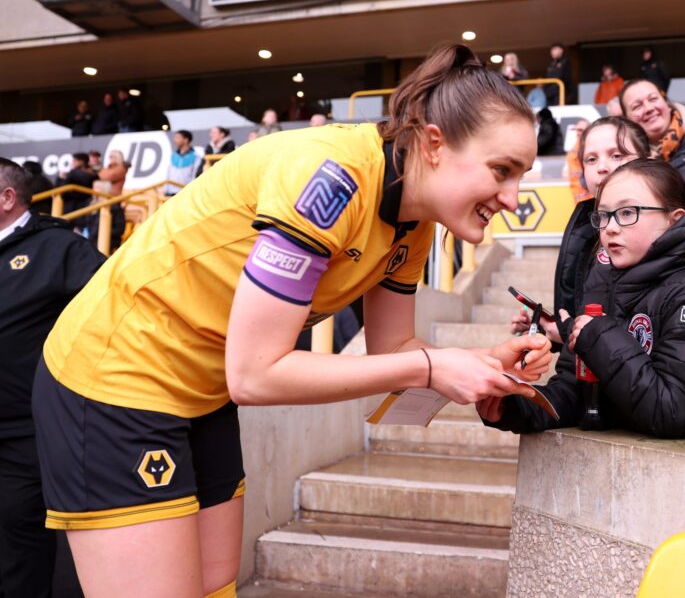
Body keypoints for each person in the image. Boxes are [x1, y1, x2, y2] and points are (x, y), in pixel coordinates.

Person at [32, 43, 552, 598]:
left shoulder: (416, 219)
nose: (513, 197)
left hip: (201, 392)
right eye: (502, 170)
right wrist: (428, 368)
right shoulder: (328, 179)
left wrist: (477, 363)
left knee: (214, 585)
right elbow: (256, 375)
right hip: (115, 377)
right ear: (433, 144)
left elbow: (394, 347)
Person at [480, 158, 685, 436]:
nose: (610, 227)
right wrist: (517, 408)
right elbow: (575, 392)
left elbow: (675, 411)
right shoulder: (600, 282)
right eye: (603, 215)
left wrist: (599, 336)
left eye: (627, 213)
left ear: (676, 219)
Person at [0, 158, 102, 598]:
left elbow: (111, 309)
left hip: (25, 432)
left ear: (7, 198)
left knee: (20, 541)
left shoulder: (59, 247)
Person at [511, 117, 652, 349]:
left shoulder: (665, 230)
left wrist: (567, 331)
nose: (602, 167)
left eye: (617, 155)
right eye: (591, 159)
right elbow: (582, 315)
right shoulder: (583, 227)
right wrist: (548, 330)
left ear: (648, 160)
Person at [166, 130, 202, 195]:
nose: (175, 140)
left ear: (186, 140)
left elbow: (195, 176)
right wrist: (166, 191)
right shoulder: (172, 156)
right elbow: (168, 174)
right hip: (171, 194)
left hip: (186, 193)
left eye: (178, 138)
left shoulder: (196, 157)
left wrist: (191, 191)